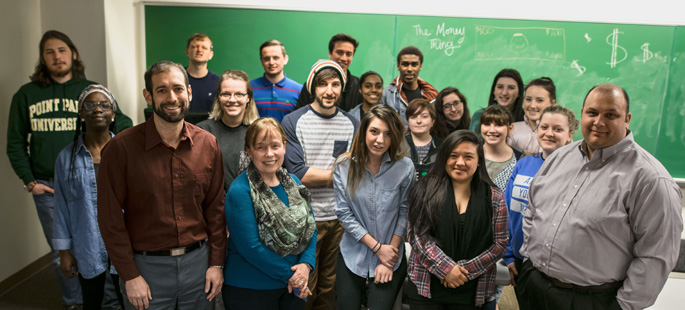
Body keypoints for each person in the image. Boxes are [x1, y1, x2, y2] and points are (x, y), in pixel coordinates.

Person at [519, 83, 683, 310]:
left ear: (627, 119)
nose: (599, 122)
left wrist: (622, 306)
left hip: (593, 301)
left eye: (611, 115)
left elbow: (656, 256)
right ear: (582, 114)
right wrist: (528, 259)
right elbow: (533, 210)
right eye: (592, 113)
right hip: (535, 288)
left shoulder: (651, 180)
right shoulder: (559, 158)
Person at [6, 30, 132, 310]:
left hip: (98, 177)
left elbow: (124, 122)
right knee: (63, 252)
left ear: (73, 53)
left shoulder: (91, 89)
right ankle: (75, 304)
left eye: (61, 50)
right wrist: (29, 181)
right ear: (42, 58)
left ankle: (108, 302)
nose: (56, 56)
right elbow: (14, 142)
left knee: (105, 249)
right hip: (49, 184)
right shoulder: (26, 95)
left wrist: (115, 148)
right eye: (49, 52)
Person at [98, 61, 227, 310]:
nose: (172, 97)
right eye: (161, 90)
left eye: (178, 89)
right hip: (145, 270)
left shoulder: (208, 144)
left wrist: (216, 263)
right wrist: (130, 275)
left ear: (189, 93)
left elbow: (216, 209)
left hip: (198, 266)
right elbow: (110, 219)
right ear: (148, 96)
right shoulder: (120, 149)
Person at [282, 59, 359, 310]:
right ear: (313, 87)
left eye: (335, 84)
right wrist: (339, 175)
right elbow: (297, 174)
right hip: (305, 219)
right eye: (323, 84)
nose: (329, 90)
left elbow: (357, 171)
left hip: (341, 219)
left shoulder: (353, 124)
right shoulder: (293, 121)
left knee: (330, 286)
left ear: (342, 88)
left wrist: (328, 175)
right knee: (304, 284)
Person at [406, 130, 508, 309]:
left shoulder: (494, 197)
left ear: (479, 161)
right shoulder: (424, 189)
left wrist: (463, 272)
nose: (460, 162)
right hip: (426, 289)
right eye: (453, 156)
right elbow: (417, 236)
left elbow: (499, 244)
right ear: (444, 157)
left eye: (468, 156)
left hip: (474, 290)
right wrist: (447, 269)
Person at [223, 117, 317, 310]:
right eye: (260, 147)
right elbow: (250, 247)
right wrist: (292, 275)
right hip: (251, 289)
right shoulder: (240, 190)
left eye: (275, 146)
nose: (269, 154)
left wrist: (306, 265)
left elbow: (311, 227)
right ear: (249, 151)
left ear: (284, 146)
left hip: (293, 285)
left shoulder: (294, 182)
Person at [334, 104, 414, 310]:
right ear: (364, 132)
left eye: (388, 134)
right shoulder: (343, 166)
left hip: (391, 254)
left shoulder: (405, 167)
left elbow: (405, 211)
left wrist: (388, 258)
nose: (380, 140)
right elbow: (344, 213)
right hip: (353, 254)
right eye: (374, 132)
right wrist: (378, 248)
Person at [52, 85, 125, 310]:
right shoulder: (66, 158)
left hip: (124, 244)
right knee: (91, 302)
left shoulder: (126, 151)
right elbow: (61, 209)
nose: (97, 110)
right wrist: (64, 253)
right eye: (90, 105)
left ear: (113, 113)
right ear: (81, 113)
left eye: (104, 105)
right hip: (87, 244)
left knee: (130, 301)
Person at [502, 105, 578, 305]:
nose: (549, 133)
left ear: (570, 135)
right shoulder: (523, 165)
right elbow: (507, 212)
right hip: (518, 262)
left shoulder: (577, 172)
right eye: (544, 127)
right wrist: (509, 256)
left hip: (554, 272)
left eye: (558, 129)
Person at [198, 69, 260, 192]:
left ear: (248, 98)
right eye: (226, 94)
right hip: (213, 206)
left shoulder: (258, 132)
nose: (232, 100)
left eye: (239, 94)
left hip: (249, 204)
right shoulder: (202, 132)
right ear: (218, 97)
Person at [296, 33, 361, 112]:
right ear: (330, 53)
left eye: (348, 54)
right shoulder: (312, 83)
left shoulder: (359, 86)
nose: (344, 58)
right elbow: (300, 113)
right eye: (339, 52)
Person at [380, 46, 438, 128]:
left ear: (420, 66)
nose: (409, 69)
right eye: (405, 64)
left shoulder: (431, 95)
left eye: (414, 65)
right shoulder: (386, 94)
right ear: (398, 66)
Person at [250, 40, 302, 122]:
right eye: (267, 58)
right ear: (261, 61)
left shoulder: (299, 90)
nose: (271, 62)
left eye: (276, 58)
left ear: (285, 59)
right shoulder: (249, 88)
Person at [508, 77, 556, 154]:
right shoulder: (512, 129)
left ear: (552, 103)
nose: (533, 105)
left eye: (540, 100)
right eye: (528, 99)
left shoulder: (558, 134)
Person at [470, 69, 524, 136]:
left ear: (519, 93)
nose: (504, 93)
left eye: (511, 88)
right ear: (494, 91)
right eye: (500, 87)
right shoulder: (479, 116)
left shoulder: (526, 119)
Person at [481, 105, 517, 189]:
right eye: (487, 124)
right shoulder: (471, 155)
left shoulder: (519, 160)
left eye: (499, 125)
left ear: (510, 128)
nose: (492, 130)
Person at [405, 99, 443, 180]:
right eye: (413, 117)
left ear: (432, 121)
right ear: (408, 121)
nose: (419, 121)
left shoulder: (442, 146)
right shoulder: (398, 145)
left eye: (424, 116)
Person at [185, 33, 220, 112]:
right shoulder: (177, 78)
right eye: (194, 47)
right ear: (187, 51)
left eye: (204, 48)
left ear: (211, 54)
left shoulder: (218, 83)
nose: (199, 50)